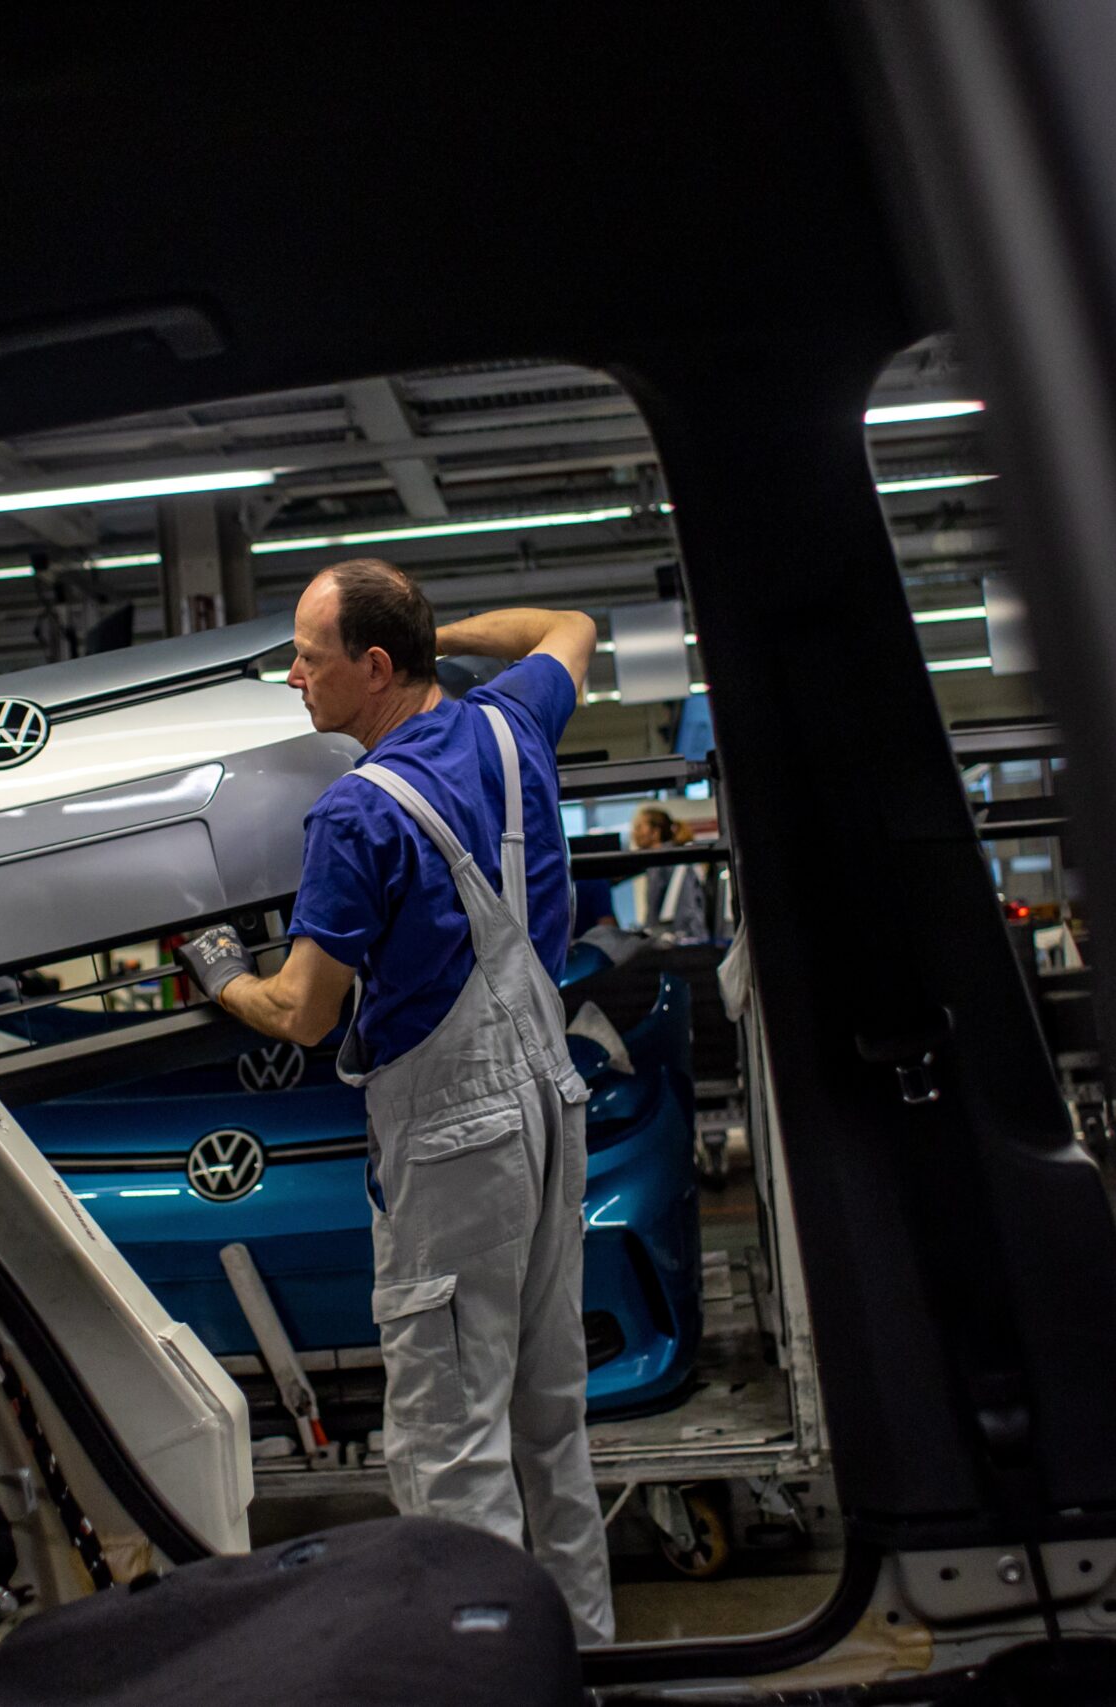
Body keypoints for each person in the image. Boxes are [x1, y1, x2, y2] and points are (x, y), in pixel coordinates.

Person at [173, 559, 615, 1645]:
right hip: (552, 1104)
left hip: (457, 1133)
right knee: (547, 1422)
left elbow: (305, 1012)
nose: (291, 678)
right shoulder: (514, 721)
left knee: (449, 1438)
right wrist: (434, 635)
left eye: (309, 659)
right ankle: (583, 1659)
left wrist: (218, 969)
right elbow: (570, 621)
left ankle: (477, 1675)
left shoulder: (354, 817)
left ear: (372, 668)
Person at [627, 805, 709, 943]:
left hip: (676, 937)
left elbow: (653, 908)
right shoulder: (677, 855)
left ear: (655, 832)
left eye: (640, 827)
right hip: (692, 934)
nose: (634, 832)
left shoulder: (660, 860)